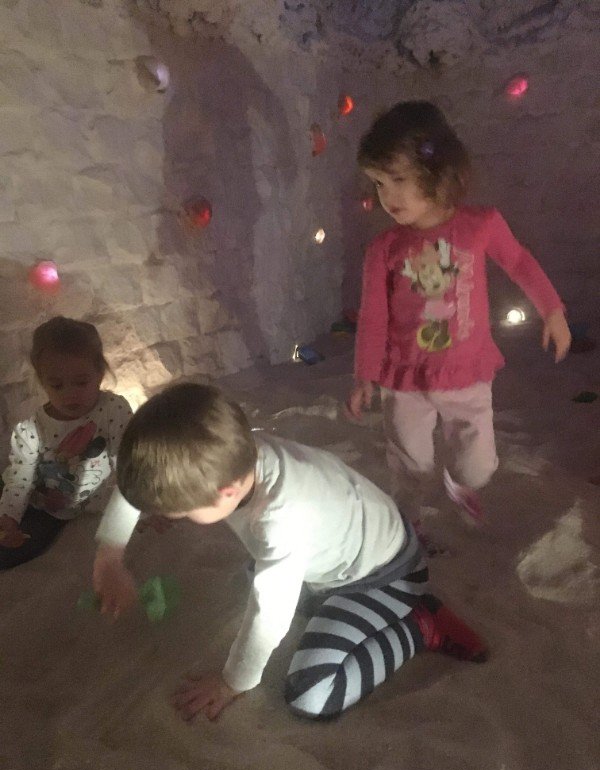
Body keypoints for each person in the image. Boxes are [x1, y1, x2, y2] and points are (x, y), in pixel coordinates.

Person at [94, 382, 487, 721]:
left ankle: (419, 628)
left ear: (225, 493)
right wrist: (109, 556)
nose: (169, 516)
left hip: (384, 577)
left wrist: (233, 682)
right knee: (255, 579)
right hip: (343, 552)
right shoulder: (229, 449)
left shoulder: (280, 520)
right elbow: (141, 478)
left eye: (178, 511)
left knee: (311, 694)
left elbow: (269, 617)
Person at [346, 101, 571, 528]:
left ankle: (459, 485)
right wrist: (364, 375)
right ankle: (407, 523)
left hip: (467, 373)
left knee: (478, 467)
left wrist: (552, 309)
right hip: (405, 379)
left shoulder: (480, 225)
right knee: (410, 463)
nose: (388, 196)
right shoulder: (384, 249)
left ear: (436, 171)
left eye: (399, 180)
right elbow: (373, 316)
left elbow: (518, 262)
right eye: (378, 183)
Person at [0, 316, 139, 570]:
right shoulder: (32, 429)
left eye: (81, 382)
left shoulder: (113, 409)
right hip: (45, 506)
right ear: (43, 382)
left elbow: (127, 459)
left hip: (93, 503)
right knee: (10, 548)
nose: (70, 394)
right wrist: (9, 517)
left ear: (99, 374)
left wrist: (134, 504)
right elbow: (20, 478)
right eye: (57, 385)